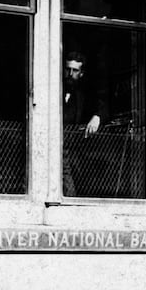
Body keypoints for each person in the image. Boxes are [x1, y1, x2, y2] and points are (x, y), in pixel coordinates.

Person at [62, 51, 106, 196]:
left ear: (81, 74)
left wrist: (97, 116)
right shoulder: (52, 90)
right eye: (68, 69)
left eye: (75, 70)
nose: (70, 74)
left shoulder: (84, 96)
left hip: (74, 155)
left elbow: (103, 104)